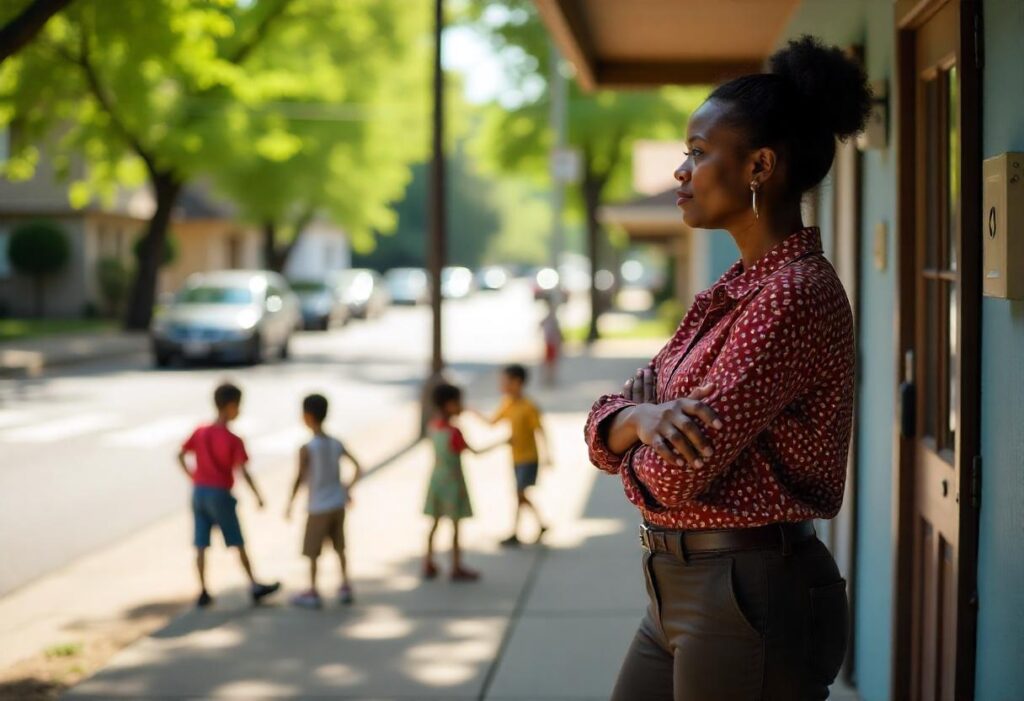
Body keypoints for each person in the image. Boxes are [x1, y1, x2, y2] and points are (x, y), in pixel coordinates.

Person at [584, 36, 868, 700]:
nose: (682, 171)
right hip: (674, 587)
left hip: (747, 592)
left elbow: (675, 473)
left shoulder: (794, 296)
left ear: (759, 165)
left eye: (698, 152)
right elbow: (612, 413)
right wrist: (641, 417)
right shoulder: (728, 293)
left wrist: (630, 435)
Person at [178, 382, 280, 608]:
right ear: (231, 406)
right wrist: (258, 495)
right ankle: (253, 584)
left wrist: (192, 476)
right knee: (236, 540)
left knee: (201, 543)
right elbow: (243, 470)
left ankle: (203, 590)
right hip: (220, 493)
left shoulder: (201, 431)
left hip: (199, 492)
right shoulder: (233, 438)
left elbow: (180, 454)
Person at [284, 393, 363, 608]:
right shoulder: (336, 443)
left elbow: (299, 477)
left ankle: (312, 589)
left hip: (318, 505)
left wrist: (290, 504)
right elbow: (358, 466)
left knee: (312, 551)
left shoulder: (308, 448)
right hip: (337, 503)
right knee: (340, 547)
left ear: (307, 416)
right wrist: (347, 488)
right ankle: (345, 584)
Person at [423, 382, 499, 581]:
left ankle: (428, 561)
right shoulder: (454, 432)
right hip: (453, 483)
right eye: (458, 403)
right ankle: (456, 566)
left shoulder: (432, 426)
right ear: (449, 405)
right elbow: (475, 452)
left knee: (435, 523)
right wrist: (502, 442)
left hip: (437, 479)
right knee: (455, 527)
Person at [486, 364, 550, 546]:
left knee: (518, 494)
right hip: (515, 458)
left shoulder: (528, 406)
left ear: (517, 382)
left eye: (506, 381)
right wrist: (470, 411)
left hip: (529, 458)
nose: (503, 384)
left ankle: (515, 532)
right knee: (520, 496)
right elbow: (492, 422)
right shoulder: (508, 403)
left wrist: (547, 455)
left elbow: (540, 430)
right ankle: (541, 524)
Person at [540, 300, 563, 386]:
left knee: (552, 362)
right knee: (548, 362)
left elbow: (558, 331)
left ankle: (550, 378)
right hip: (549, 342)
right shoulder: (549, 319)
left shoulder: (554, 320)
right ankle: (547, 378)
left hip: (553, 342)